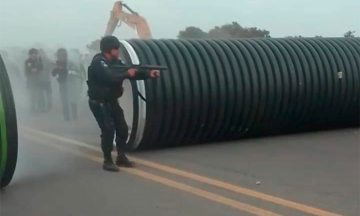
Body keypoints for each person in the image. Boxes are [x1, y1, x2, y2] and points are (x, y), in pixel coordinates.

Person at [87, 36, 160, 172]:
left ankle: (121, 157)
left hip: (111, 101)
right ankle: (107, 160)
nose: (118, 51)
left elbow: (134, 72)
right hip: (99, 102)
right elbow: (110, 78)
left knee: (122, 129)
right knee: (108, 130)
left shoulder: (116, 62)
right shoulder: (99, 62)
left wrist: (148, 73)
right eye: (116, 48)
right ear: (109, 49)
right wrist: (127, 73)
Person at [52, 48, 83, 121]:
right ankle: (66, 116)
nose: (61, 57)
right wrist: (56, 69)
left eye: (63, 55)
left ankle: (74, 115)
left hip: (71, 83)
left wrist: (69, 71)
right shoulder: (56, 64)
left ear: (65, 55)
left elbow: (77, 73)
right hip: (62, 84)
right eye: (60, 55)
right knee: (64, 101)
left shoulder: (71, 63)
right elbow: (53, 74)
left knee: (73, 100)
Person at [24, 48, 43, 113]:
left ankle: (40, 108)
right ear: (30, 55)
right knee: (32, 96)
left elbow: (40, 68)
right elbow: (28, 71)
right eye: (33, 54)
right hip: (30, 81)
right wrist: (34, 70)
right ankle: (33, 109)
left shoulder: (39, 61)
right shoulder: (28, 61)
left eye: (36, 54)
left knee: (39, 95)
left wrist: (36, 67)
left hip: (38, 81)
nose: (34, 55)